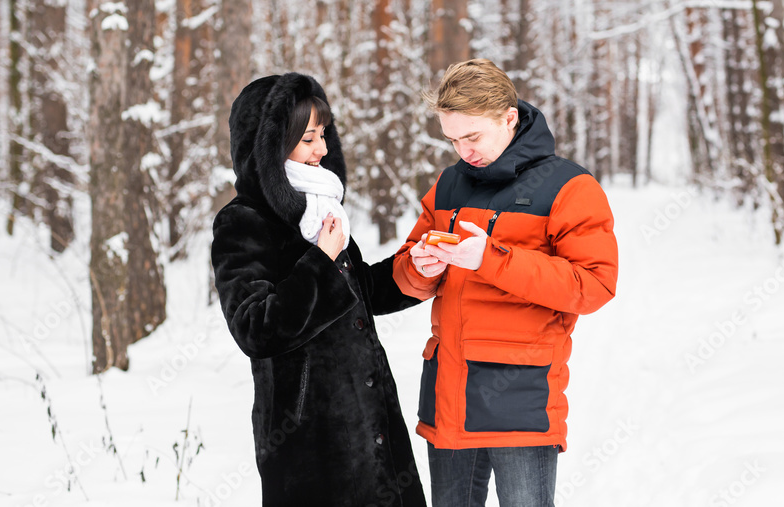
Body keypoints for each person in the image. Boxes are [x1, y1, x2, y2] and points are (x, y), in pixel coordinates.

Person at [392, 59, 618, 507]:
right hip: (448, 397)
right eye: (453, 139)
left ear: (509, 117)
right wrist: (422, 267)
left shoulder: (569, 186)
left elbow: (594, 285)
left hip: (520, 397)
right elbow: (407, 275)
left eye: (472, 137)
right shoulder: (449, 184)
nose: (464, 151)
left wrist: (491, 259)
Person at [212, 72, 427, 507]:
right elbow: (257, 329)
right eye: (309, 139)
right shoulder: (243, 221)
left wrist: (416, 271)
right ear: (272, 146)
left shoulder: (320, 207)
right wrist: (320, 262)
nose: (323, 150)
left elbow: (358, 290)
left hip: (373, 424)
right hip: (310, 443)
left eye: (324, 135)